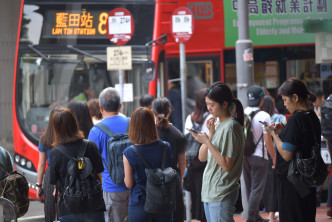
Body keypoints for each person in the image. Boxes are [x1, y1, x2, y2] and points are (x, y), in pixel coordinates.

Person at [264, 78, 320, 222]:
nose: (284, 105)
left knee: (293, 216)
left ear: (295, 98)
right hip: (307, 179)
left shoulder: (296, 119)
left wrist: (273, 134)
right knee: (306, 215)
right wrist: (283, 132)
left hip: (293, 181)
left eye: (285, 100)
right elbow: (301, 141)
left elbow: (287, 154)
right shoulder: (312, 115)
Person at [189, 82, 244, 222]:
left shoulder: (230, 127)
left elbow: (226, 165)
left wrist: (207, 141)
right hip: (211, 191)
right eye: (207, 104)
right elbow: (202, 157)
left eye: (212, 104)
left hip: (221, 191)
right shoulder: (218, 123)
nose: (209, 108)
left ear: (224, 104)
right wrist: (210, 136)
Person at [49, 107, 105, 221]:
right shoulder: (90, 145)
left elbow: (53, 181)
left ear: (56, 128)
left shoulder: (55, 152)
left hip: (68, 207)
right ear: (75, 123)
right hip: (93, 204)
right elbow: (99, 170)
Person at [123, 107, 173, 222]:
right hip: (163, 204)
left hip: (140, 205)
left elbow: (129, 184)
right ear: (152, 124)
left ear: (133, 126)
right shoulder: (166, 147)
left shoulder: (129, 152)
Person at [88, 87, 130, 222]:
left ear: (100, 108)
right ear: (120, 106)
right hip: (136, 185)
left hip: (111, 187)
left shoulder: (95, 131)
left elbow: (90, 163)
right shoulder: (133, 123)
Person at [241, 85, 276, 222]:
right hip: (260, 157)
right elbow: (268, 142)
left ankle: (255, 216)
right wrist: (274, 158)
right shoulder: (264, 116)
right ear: (261, 100)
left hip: (245, 156)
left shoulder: (242, 112)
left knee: (250, 188)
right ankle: (251, 217)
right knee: (257, 188)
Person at [152, 97, 186, 222]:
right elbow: (182, 162)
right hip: (173, 179)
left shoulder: (149, 133)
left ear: (153, 112)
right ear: (169, 112)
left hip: (152, 180)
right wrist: (180, 178)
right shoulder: (178, 134)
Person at [184, 88, 210, 222]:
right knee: (205, 193)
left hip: (192, 161)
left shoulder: (190, 117)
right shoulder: (210, 118)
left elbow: (187, 137)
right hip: (205, 160)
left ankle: (196, 218)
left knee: (195, 194)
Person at [260, 95, 281, 222]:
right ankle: (272, 214)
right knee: (274, 185)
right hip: (272, 152)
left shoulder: (256, 117)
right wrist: (274, 157)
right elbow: (269, 141)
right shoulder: (275, 118)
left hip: (260, 154)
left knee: (267, 185)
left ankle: (270, 213)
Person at [36, 109, 56, 222]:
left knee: (50, 209)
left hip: (50, 175)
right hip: (67, 173)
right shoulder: (69, 137)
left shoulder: (44, 139)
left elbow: (42, 164)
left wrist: (39, 185)